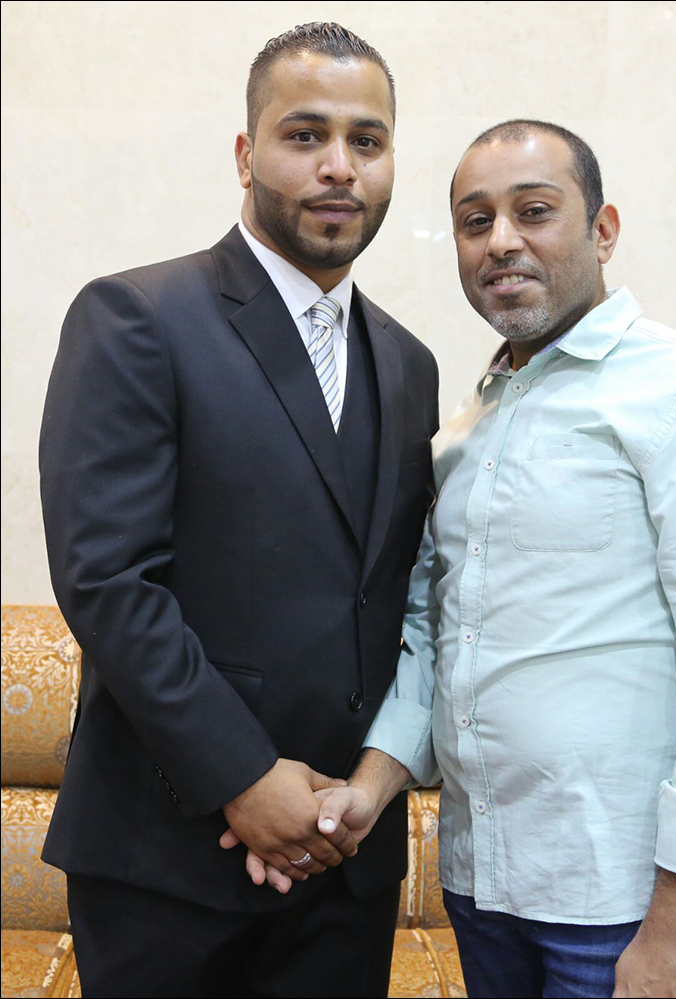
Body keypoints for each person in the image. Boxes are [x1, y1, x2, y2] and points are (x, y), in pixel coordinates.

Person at [293, 120, 676, 998]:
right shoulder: (465, 432)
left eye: (533, 211)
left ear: (603, 230)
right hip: (483, 887)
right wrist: (368, 790)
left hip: (628, 901)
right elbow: (433, 640)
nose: (501, 240)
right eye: (475, 221)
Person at [38, 22, 438, 999]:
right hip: (168, 857)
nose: (339, 165)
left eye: (368, 140)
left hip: (346, 862)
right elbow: (109, 582)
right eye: (305, 135)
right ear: (244, 153)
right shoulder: (136, 318)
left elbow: (388, 599)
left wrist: (354, 801)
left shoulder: (410, 363)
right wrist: (244, 778)